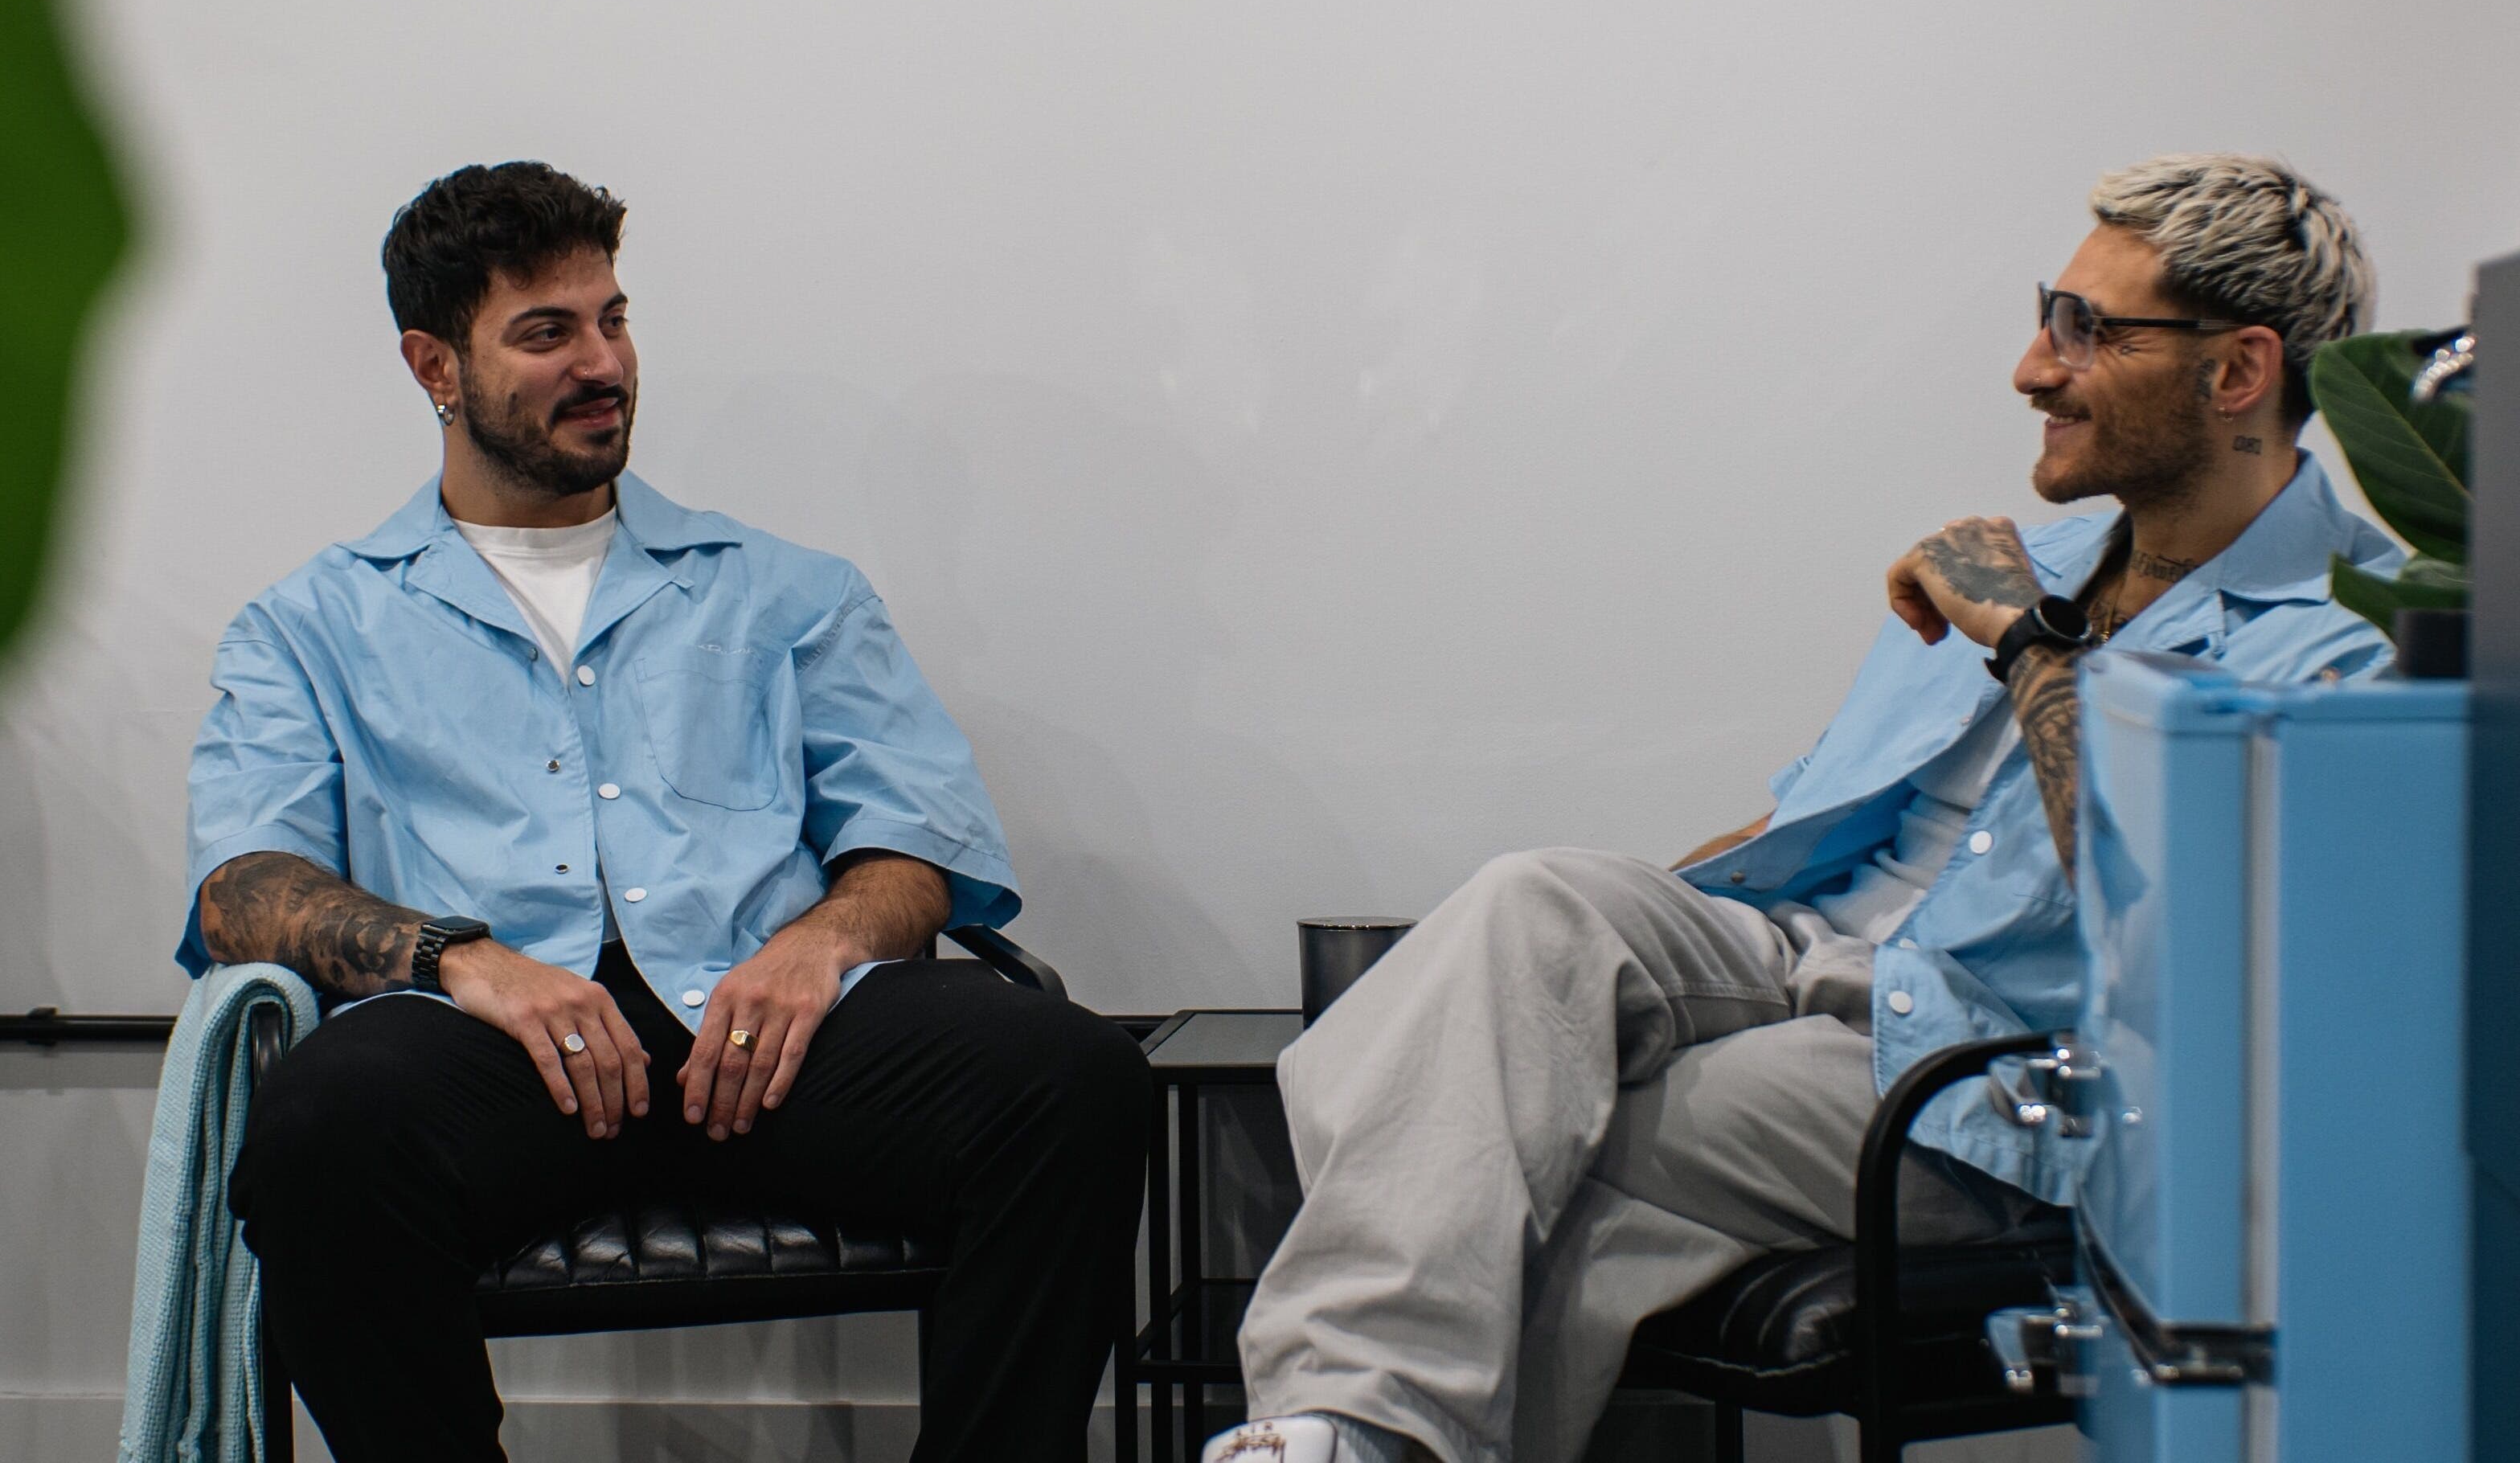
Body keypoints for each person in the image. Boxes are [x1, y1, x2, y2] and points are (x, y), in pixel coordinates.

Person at [1201, 155, 2398, 1463]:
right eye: (2047, 312)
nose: (2031, 368)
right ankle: (1345, 1432)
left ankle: (1350, 1431)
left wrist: (2024, 646)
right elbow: (1810, 828)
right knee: (1525, 903)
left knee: (1497, 1137)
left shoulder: (2360, 639)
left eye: (2086, 330)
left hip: (2006, 1073)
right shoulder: (2043, 560)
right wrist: (1597, 961)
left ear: (2238, 373)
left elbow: (2192, 931)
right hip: (1808, 961)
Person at [186, 162, 1149, 1463]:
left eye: (613, 318)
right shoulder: (314, 625)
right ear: (435, 366)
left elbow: (917, 840)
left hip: (769, 1042)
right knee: (315, 1130)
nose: (604, 363)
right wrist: (462, 960)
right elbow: (242, 887)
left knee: (1074, 1080)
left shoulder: (782, 590)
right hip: (492, 1059)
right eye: (546, 333)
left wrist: (820, 944)